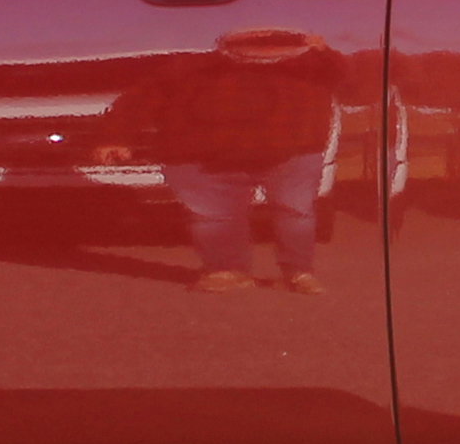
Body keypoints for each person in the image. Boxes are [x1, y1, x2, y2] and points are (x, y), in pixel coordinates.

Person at [102, 23, 343, 292]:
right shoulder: (191, 68)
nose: (264, 47)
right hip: (205, 156)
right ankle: (225, 271)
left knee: (295, 211)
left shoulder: (313, 66)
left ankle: (299, 273)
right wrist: (115, 136)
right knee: (212, 217)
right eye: (253, 41)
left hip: (290, 153)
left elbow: (353, 84)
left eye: (274, 41)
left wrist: (325, 53)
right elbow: (141, 99)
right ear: (227, 43)